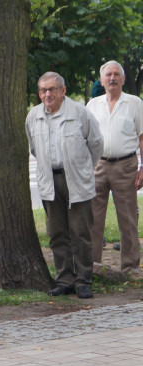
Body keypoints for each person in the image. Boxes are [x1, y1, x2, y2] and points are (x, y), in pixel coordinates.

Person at [28, 72, 103, 298]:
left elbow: (96, 144)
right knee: (56, 232)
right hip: (50, 179)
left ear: (63, 90)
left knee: (80, 232)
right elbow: (33, 147)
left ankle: (83, 281)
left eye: (52, 89)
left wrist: (82, 168)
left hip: (77, 179)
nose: (47, 94)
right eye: (43, 90)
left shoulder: (79, 113)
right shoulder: (33, 116)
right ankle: (64, 280)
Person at [86, 61, 143, 277]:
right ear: (101, 80)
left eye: (116, 74)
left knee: (128, 218)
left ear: (123, 79)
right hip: (98, 165)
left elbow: (142, 137)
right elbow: (86, 138)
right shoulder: (93, 105)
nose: (112, 78)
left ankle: (130, 267)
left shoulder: (135, 103)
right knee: (92, 217)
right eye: (108, 75)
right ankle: (92, 265)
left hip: (125, 165)